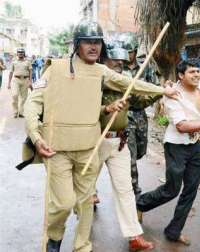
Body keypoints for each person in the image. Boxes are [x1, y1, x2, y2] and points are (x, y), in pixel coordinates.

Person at [24, 20, 178, 252]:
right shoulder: (54, 68)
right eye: (88, 42)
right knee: (64, 202)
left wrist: (162, 90)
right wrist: (36, 136)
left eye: (97, 42)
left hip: (88, 149)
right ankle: (54, 237)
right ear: (77, 44)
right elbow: (32, 105)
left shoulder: (101, 72)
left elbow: (130, 83)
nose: (94, 46)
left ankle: (82, 246)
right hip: (57, 150)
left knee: (86, 203)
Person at [136, 60, 200, 245]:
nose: (196, 75)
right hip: (176, 146)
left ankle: (174, 230)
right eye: (191, 72)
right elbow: (181, 126)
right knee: (172, 189)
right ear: (180, 75)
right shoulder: (172, 95)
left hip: (195, 144)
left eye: (198, 71)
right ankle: (140, 204)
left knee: (191, 189)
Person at [95, 42, 155, 251]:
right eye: (115, 61)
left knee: (125, 189)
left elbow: (141, 100)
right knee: (85, 190)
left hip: (119, 142)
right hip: (96, 141)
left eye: (122, 61)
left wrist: (161, 91)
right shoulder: (96, 78)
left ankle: (134, 236)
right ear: (104, 61)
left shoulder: (126, 83)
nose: (120, 63)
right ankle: (81, 237)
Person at [120, 33, 161, 196]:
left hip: (140, 115)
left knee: (140, 151)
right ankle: (133, 189)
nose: (126, 55)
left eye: (129, 52)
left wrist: (145, 99)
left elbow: (157, 89)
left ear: (135, 51)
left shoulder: (146, 68)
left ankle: (127, 175)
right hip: (125, 115)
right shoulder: (118, 68)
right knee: (130, 154)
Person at [8, 48, 32, 118]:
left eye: (22, 52)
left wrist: (30, 81)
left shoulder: (28, 62)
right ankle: (15, 112)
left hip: (25, 80)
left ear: (24, 54)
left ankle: (21, 112)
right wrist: (9, 83)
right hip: (16, 80)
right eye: (19, 52)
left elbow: (30, 71)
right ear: (17, 53)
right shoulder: (14, 62)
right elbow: (11, 72)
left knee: (24, 98)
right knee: (14, 95)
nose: (20, 54)